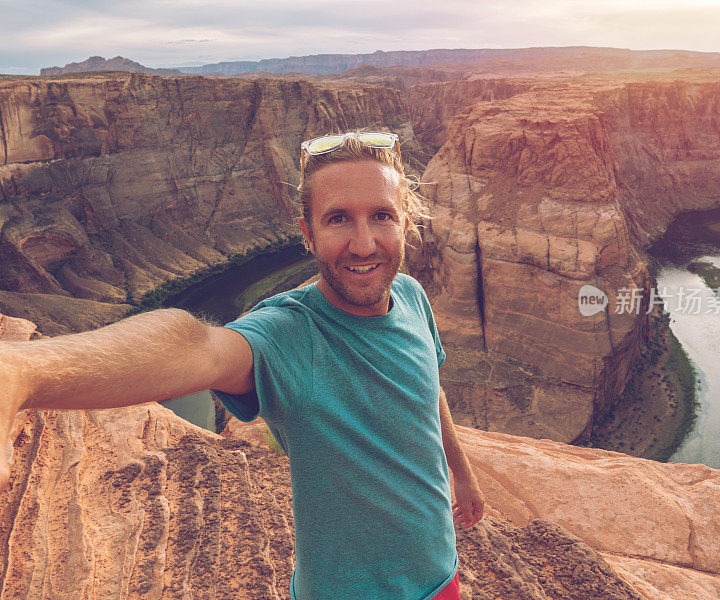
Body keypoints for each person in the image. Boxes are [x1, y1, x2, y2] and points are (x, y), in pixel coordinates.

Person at [0, 130, 484, 600]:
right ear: (308, 235)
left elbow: (428, 386)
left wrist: (461, 474)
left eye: (381, 215)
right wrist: (26, 371)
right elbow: (197, 348)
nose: (363, 244)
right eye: (338, 219)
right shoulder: (289, 334)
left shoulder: (411, 296)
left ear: (405, 222)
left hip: (439, 575)